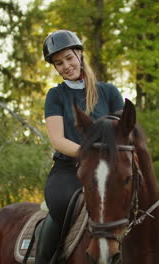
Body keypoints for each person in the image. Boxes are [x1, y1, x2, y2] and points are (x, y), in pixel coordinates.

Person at [35, 30, 124, 264]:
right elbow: (58, 139)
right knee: (63, 207)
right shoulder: (55, 95)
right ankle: (45, 259)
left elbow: (124, 135)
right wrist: (91, 155)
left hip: (109, 170)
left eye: (69, 58)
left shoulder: (109, 92)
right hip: (68, 171)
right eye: (58, 63)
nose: (65, 66)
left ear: (80, 55)